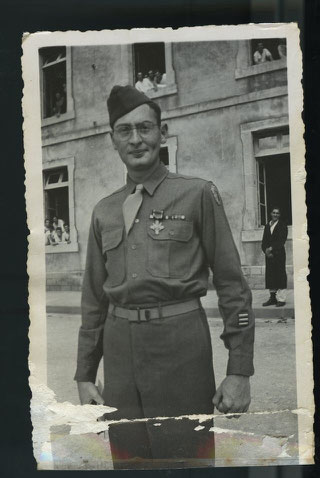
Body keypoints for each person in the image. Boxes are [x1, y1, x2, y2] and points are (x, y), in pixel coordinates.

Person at [74, 85, 255, 469]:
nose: (136, 139)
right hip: (120, 356)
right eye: (125, 131)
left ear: (161, 131)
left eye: (145, 128)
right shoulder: (103, 211)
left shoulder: (198, 194)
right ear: (113, 140)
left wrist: (239, 371)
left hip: (181, 350)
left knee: (187, 461)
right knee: (129, 461)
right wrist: (85, 374)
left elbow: (232, 286)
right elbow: (94, 299)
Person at [261, 207, 288, 307]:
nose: (275, 214)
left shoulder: (282, 225)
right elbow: (264, 241)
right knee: (270, 275)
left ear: (279, 215)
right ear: (271, 214)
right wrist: (266, 251)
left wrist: (271, 248)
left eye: (277, 213)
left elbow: (282, 240)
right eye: (274, 213)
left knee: (280, 274)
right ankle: (272, 298)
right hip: (269, 255)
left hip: (279, 254)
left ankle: (281, 299)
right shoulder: (267, 225)